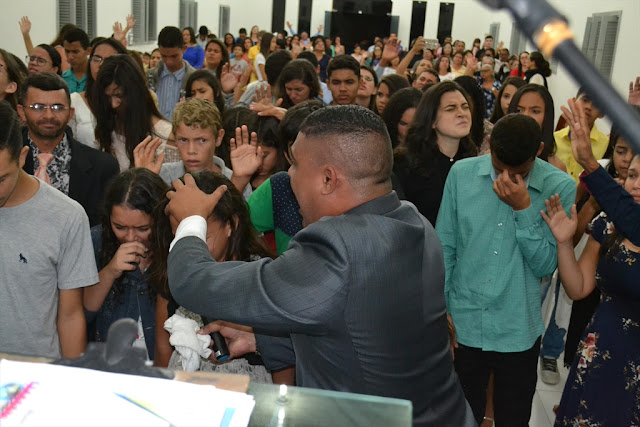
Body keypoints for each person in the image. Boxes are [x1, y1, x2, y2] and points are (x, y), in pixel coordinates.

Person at [165, 105, 475, 426]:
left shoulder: (337, 246)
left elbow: (194, 282)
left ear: (328, 179)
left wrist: (191, 220)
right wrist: (262, 340)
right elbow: (370, 335)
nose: (288, 176)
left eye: (296, 165)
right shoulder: (414, 222)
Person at [436, 113, 575, 426]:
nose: (507, 179)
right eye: (499, 168)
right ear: (490, 146)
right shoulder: (462, 174)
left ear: (538, 151)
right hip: (463, 322)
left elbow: (545, 266)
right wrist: (442, 308)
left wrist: (523, 209)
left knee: (513, 418)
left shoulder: (559, 187)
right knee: (458, 417)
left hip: (517, 327)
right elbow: (444, 246)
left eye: (520, 171)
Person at [541, 155, 640, 425]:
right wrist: (564, 243)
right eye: (632, 175)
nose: (635, 184)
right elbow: (579, 288)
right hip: (602, 346)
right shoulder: (608, 222)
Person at [152, 171, 275, 383]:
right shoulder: (173, 274)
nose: (188, 249)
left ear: (231, 225)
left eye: (200, 237)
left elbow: (285, 363)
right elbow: (163, 351)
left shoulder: (261, 277)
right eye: (180, 237)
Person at [0, 101, 96, 359]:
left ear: (22, 157)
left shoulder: (66, 216)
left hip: (35, 373)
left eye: (0, 179)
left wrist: (71, 375)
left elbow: (71, 315)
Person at [85, 168, 168, 360]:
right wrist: (110, 271)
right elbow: (81, 313)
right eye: (120, 227)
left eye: (143, 228)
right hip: (112, 364)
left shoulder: (174, 246)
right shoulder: (96, 241)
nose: (130, 237)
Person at [18, 72, 119, 227]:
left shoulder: (103, 167)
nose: (49, 115)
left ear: (70, 113)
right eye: (38, 107)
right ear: (21, 112)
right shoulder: (7, 161)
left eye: (58, 107)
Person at [135, 98, 253, 200]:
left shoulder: (237, 179)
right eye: (183, 140)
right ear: (175, 138)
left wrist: (237, 184)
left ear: (218, 138)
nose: (191, 150)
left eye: (202, 140)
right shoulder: (161, 176)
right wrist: (143, 181)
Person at [394, 81, 476, 225]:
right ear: (431, 120)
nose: (462, 114)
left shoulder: (473, 162)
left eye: (465, 107)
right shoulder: (404, 163)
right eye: (451, 109)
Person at [93, 55, 172, 172]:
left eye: (119, 95)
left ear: (135, 93)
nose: (113, 104)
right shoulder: (107, 129)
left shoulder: (164, 133)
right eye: (107, 97)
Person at [69, 38, 128, 149]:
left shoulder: (130, 101)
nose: (101, 64)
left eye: (109, 60)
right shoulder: (74, 102)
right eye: (96, 59)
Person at [508, 84, 567, 171]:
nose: (526, 115)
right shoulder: (492, 156)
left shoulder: (556, 167)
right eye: (519, 110)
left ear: (547, 117)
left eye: (535, 111)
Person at [555, 87, 608, 182]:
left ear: (602, 114)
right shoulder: (554, 139)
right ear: (574, 102)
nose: (588, 107)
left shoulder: (607, 145)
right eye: (585, 100)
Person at [146, 26, 196, 121]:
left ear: (184, 49)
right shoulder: (149, 77)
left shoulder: (194, 79)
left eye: (174, 56)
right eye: (164, 56)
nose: (169, 62)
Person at [61, 27, 90, 93]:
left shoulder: (96, 77)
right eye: (67, 51)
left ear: (88, 51)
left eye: (75, 52)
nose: (70, 57)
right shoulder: (62, 79)